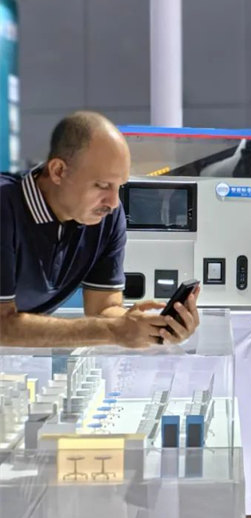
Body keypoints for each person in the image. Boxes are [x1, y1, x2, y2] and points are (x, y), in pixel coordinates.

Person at [0, 111, 200, 349]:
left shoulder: (107, 218)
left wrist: (149, 325)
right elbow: (2, 324)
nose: (113, 202)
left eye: (119, 186)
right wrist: (112, 330)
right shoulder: (5, 207)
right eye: (102, 185)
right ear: (58, 171)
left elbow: (104, 308)